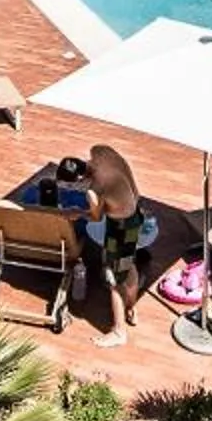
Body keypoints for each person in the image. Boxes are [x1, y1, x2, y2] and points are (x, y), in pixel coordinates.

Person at [82, 143, 158, 347]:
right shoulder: (106, 154)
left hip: (119, 228)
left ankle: (118, 332)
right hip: (135, 217)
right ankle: (131, 307)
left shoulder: (95, 188)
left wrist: (85, 207)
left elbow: (96, 217)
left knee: (114, 278)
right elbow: (136, 192)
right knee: (128, 264)